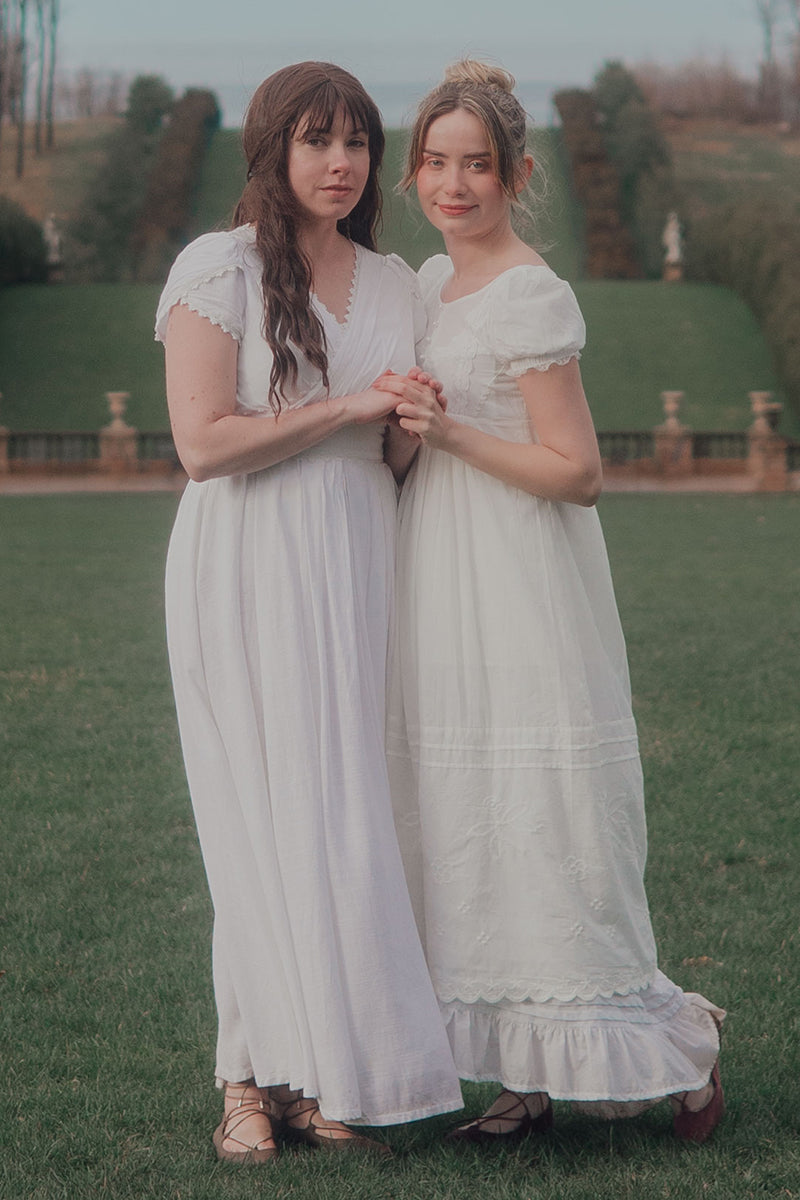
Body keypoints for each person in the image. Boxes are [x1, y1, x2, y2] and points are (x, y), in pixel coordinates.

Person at [377, 60, 725, 1146]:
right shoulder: (425, 285)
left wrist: (452, 433)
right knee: (462, 814)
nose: (453, 184)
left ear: (516, 176)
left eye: (476, 165)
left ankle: (682, 1054)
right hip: (437, 576)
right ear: (413, 173)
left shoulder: (531, 292)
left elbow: (577, 472)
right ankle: (519, 1078)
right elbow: (406, 453)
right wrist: (406, 423)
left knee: (542, 812)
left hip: (520, 578)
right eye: (435, 162)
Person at [154, 61, 461, 1165]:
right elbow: (202, 444)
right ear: (272, 148)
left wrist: (410, 424)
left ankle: (320, 1077)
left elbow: (388, 458)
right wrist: (346, 407)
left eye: (358, 142)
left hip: (358, 554)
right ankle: (245, 1079)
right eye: (317, 140)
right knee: (257, 815)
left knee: (342, 818)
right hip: (248, 556)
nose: (341, 163)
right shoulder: (221, 267)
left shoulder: (394, 284)